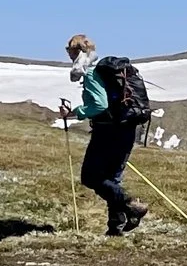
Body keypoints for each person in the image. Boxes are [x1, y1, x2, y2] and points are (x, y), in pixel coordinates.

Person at [57, 35, 148, 237]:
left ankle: (131, 205)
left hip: (108, 130)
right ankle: (116, 228)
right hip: (126, 128)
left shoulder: (90, 73)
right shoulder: (105, 70)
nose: (67, 53)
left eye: (68, 49)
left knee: (90, 177)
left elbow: (99, 104)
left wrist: (74, 113)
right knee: (111, 178)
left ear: (77, 51)